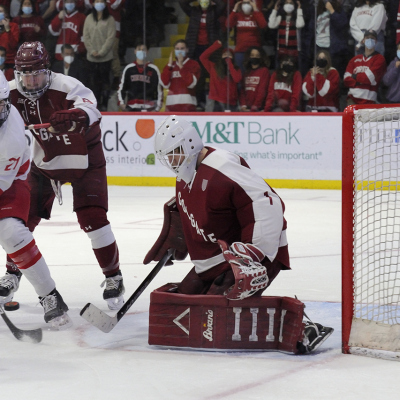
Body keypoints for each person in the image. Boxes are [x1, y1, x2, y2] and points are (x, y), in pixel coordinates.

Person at [150, 115, 333, 353]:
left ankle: (304, 327)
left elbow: (267, 202)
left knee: (217, 316)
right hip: (214, 261)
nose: (171, 161)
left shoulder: (221, 168)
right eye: (167, 156)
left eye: (174, 152)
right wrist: (178, 238)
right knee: (180, 305)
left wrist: (253, 254)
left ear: (190, 143)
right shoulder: (185, 174)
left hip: (248, 258)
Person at [7, 41, 125, 311]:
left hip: (84, 158)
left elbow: (92, 109)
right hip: (44, 160)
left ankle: (113, 276)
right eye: (26, 74)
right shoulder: (11, 92)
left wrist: (75, 115)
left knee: (93, 218)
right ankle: (12, 274)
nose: (31, 80)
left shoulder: (67, 85)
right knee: (20, 221)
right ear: (17, 73)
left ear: (47, 70)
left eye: (36, 73)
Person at [0, 69, 71, 329]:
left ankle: (50, 296)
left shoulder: (11, 137)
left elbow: (2, 184)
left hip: (11, 185)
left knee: (11, 233)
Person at [178, 0, 225, 111]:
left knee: (215, 75)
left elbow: (222, 4)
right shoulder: (193, 11)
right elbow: (182, 3)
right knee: (199, 77)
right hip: (196, 47)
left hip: (210, 48)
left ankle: (218, 102)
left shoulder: (214, 12)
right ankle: (200, 102)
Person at [83, 0, 116, 111]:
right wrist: (92, 51)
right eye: (96, 1)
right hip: (91, 58)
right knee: (93, 84)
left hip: (105, 58)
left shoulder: (110, 19)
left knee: (105, 83)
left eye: (101, 1)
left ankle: (105, 105)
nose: (99, 3)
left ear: (105, 4)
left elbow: (111, 37)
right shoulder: (88, 18)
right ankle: (94, 106)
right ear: (93, 4)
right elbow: (86, 36)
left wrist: (101, 52)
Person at [117, 40, 162, 112]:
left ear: (147, 51)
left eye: (143, 49)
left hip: (149, 107)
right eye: (139, 49)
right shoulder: (128, 68)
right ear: (135, 51)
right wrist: (122, 105)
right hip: (131, 107)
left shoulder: (153, 69)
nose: (141, 51)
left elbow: (159, 90)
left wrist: (156, 109)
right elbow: (121, 88)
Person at [343, 29, 386, 105]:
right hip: (352, 99)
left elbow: (370, 78)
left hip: (369, 101)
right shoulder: (354, 59)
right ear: (363, 40)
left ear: (376, 41)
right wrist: (363, 80)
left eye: (372, 38)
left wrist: (354, 76)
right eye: (367, 38)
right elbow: (346, 80)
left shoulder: (379, 59)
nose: (370, 40)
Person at [200, 40, 242, 111]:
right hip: (215, 101)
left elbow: (237, 79)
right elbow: (202, 57)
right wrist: (216, 45)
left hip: (231, 102)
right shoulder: (214, 67)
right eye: (225, 54)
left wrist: (230, 65)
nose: (227, 56)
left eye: (229, 55)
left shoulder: (236, 69)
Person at [160, 39, 201, 112]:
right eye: (177, 49)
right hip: (171, 107)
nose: (179, 51)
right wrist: (169, 66)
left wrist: (181, 67)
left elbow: (191, 84)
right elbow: (164, 84)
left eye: (182, 48)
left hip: (188, 107)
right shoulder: (170, 65)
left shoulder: (193, 64)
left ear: (187, 50)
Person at [227, 1, 267, 73]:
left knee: (253, 73)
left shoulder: (256, 15)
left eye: (248, 3)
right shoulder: (238, 15)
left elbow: (263, 25)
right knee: (239, 73)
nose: (246, 5)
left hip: (254, 51)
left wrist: (255, 9)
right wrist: (234, 9)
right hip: (240, 49)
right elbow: (228, 24)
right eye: (244, 3)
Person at [268, 0, 304, 68]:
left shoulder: (297, 18)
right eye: (286, 3)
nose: (288, 5)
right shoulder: (280, 18)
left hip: (295, 49)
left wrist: (299, 9)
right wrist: (275, 10)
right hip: (281, 49)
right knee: (280, 69)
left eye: (291, 3)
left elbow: (300, 25)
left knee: (294, 70)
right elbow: (271, 25)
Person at [239, 46, 270, 111]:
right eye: (252, 55)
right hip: (246, 108)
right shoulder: (246, 72)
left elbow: (262, 91)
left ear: (261, 57)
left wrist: (255, 107)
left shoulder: (264, 71)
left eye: (257, 55)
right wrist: (243, 105)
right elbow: (242, 91)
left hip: (258, 108)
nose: (254, 57)